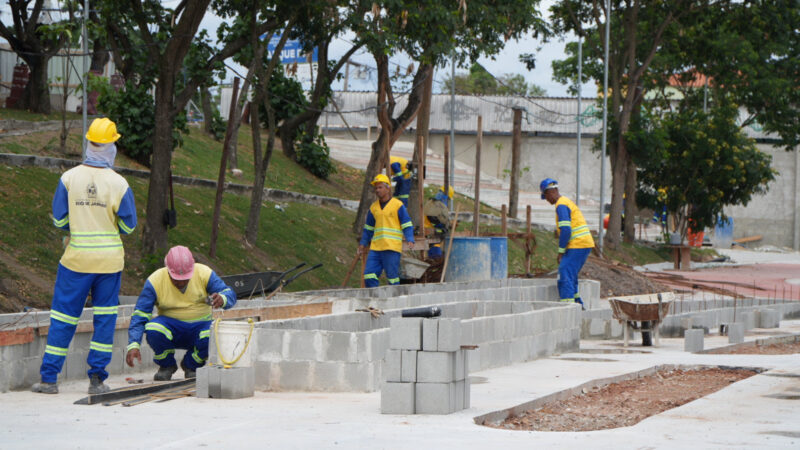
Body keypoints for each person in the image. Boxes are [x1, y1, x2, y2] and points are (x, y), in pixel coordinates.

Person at [32, 118, 137, 395]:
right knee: (104, 320)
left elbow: (59, 220)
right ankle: (97, 380)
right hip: (109, 264)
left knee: (63, 318)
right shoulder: (119, 183)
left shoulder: (69, 179)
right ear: (111, 147)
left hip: (75, 261)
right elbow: (129, 226)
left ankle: (49, 379)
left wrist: (76, 226)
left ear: (89, 143)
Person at [125, 245, 236, 380]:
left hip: (200, 327)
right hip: (172, 327)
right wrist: (134, 344)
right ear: (167, 271)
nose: (181, 282)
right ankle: (167, 365)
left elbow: (229, 293)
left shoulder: (204, 273)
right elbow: (140, 314)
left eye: (186, 279)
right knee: (153, 328)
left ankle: (192, 364)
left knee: (215, 333)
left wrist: (223, 299)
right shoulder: (155, 281)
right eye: (176, 279)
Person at [540, 178, 594, 309]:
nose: (547, 200)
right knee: (570, 274)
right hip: (582, 244)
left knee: (565, 273)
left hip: (578, 244)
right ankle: (578, 304)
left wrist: (561, 252)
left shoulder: (561, 205)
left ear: (549, 192)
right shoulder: (565, 202)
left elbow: (565, 230)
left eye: (545, 197)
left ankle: (568, 308)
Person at [358, 174, 415, 287]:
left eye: (380, 187)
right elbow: (368, 228)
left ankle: (394, 298)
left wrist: (410, 238)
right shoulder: (373, 208)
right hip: (376, 248)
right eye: (376, 188)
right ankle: (376, 297)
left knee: (392, 279)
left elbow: (407, 224)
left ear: (388, 188)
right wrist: (363, 243)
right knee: (369, 275)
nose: (377, 190)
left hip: (391, 248)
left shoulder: (398, 205)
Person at [423, 185, 454, 260]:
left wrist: (448, 224)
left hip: (432, 231)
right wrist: (440, 226)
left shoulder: (436, 203)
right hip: (430, 231)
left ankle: (433, 258)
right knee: (435, 254)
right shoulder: (435, 204)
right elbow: (432, 218)